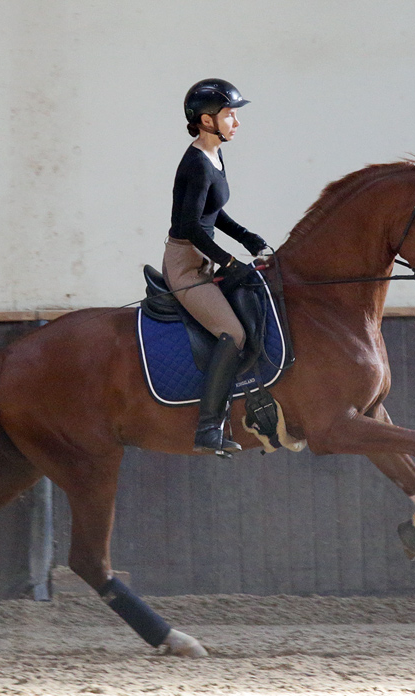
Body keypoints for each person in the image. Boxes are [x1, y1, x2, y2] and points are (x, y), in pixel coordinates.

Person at [164, 78, 268, 456]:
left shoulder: (214, 155)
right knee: (232, 332)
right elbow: (191, 226)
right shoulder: (196, 163)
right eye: (229, 115)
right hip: (187, 264)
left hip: (204, 255)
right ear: (207, 121)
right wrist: (229, 261)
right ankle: (208, 429)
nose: (236, 122)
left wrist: (246, 237)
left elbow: (212, 210)